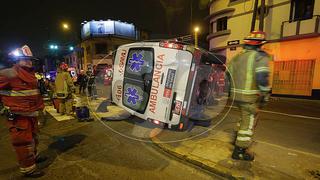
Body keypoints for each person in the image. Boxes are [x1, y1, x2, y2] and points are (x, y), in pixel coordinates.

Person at [0, 45, 46, 177]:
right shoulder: (9, 74)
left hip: (31, 115)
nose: (29, 62)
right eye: (25, 59)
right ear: (17, 60)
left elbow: (34, 94)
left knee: (33, 139)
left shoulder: (31, 75)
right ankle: (28, 169)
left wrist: (41, 108)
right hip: (18, 117)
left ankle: (34, 157)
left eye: (30, 59)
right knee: (23, 143)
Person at [227, 31, 271, 161]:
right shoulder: (259, 57)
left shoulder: (237, 57)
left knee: (243, 119)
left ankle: (237, 139)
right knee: (248, 123)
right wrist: (265, 95)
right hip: (249, 97)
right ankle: (239, 151)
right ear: (260, 44)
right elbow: (262, 78)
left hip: (236, 96)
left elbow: (227, 75)